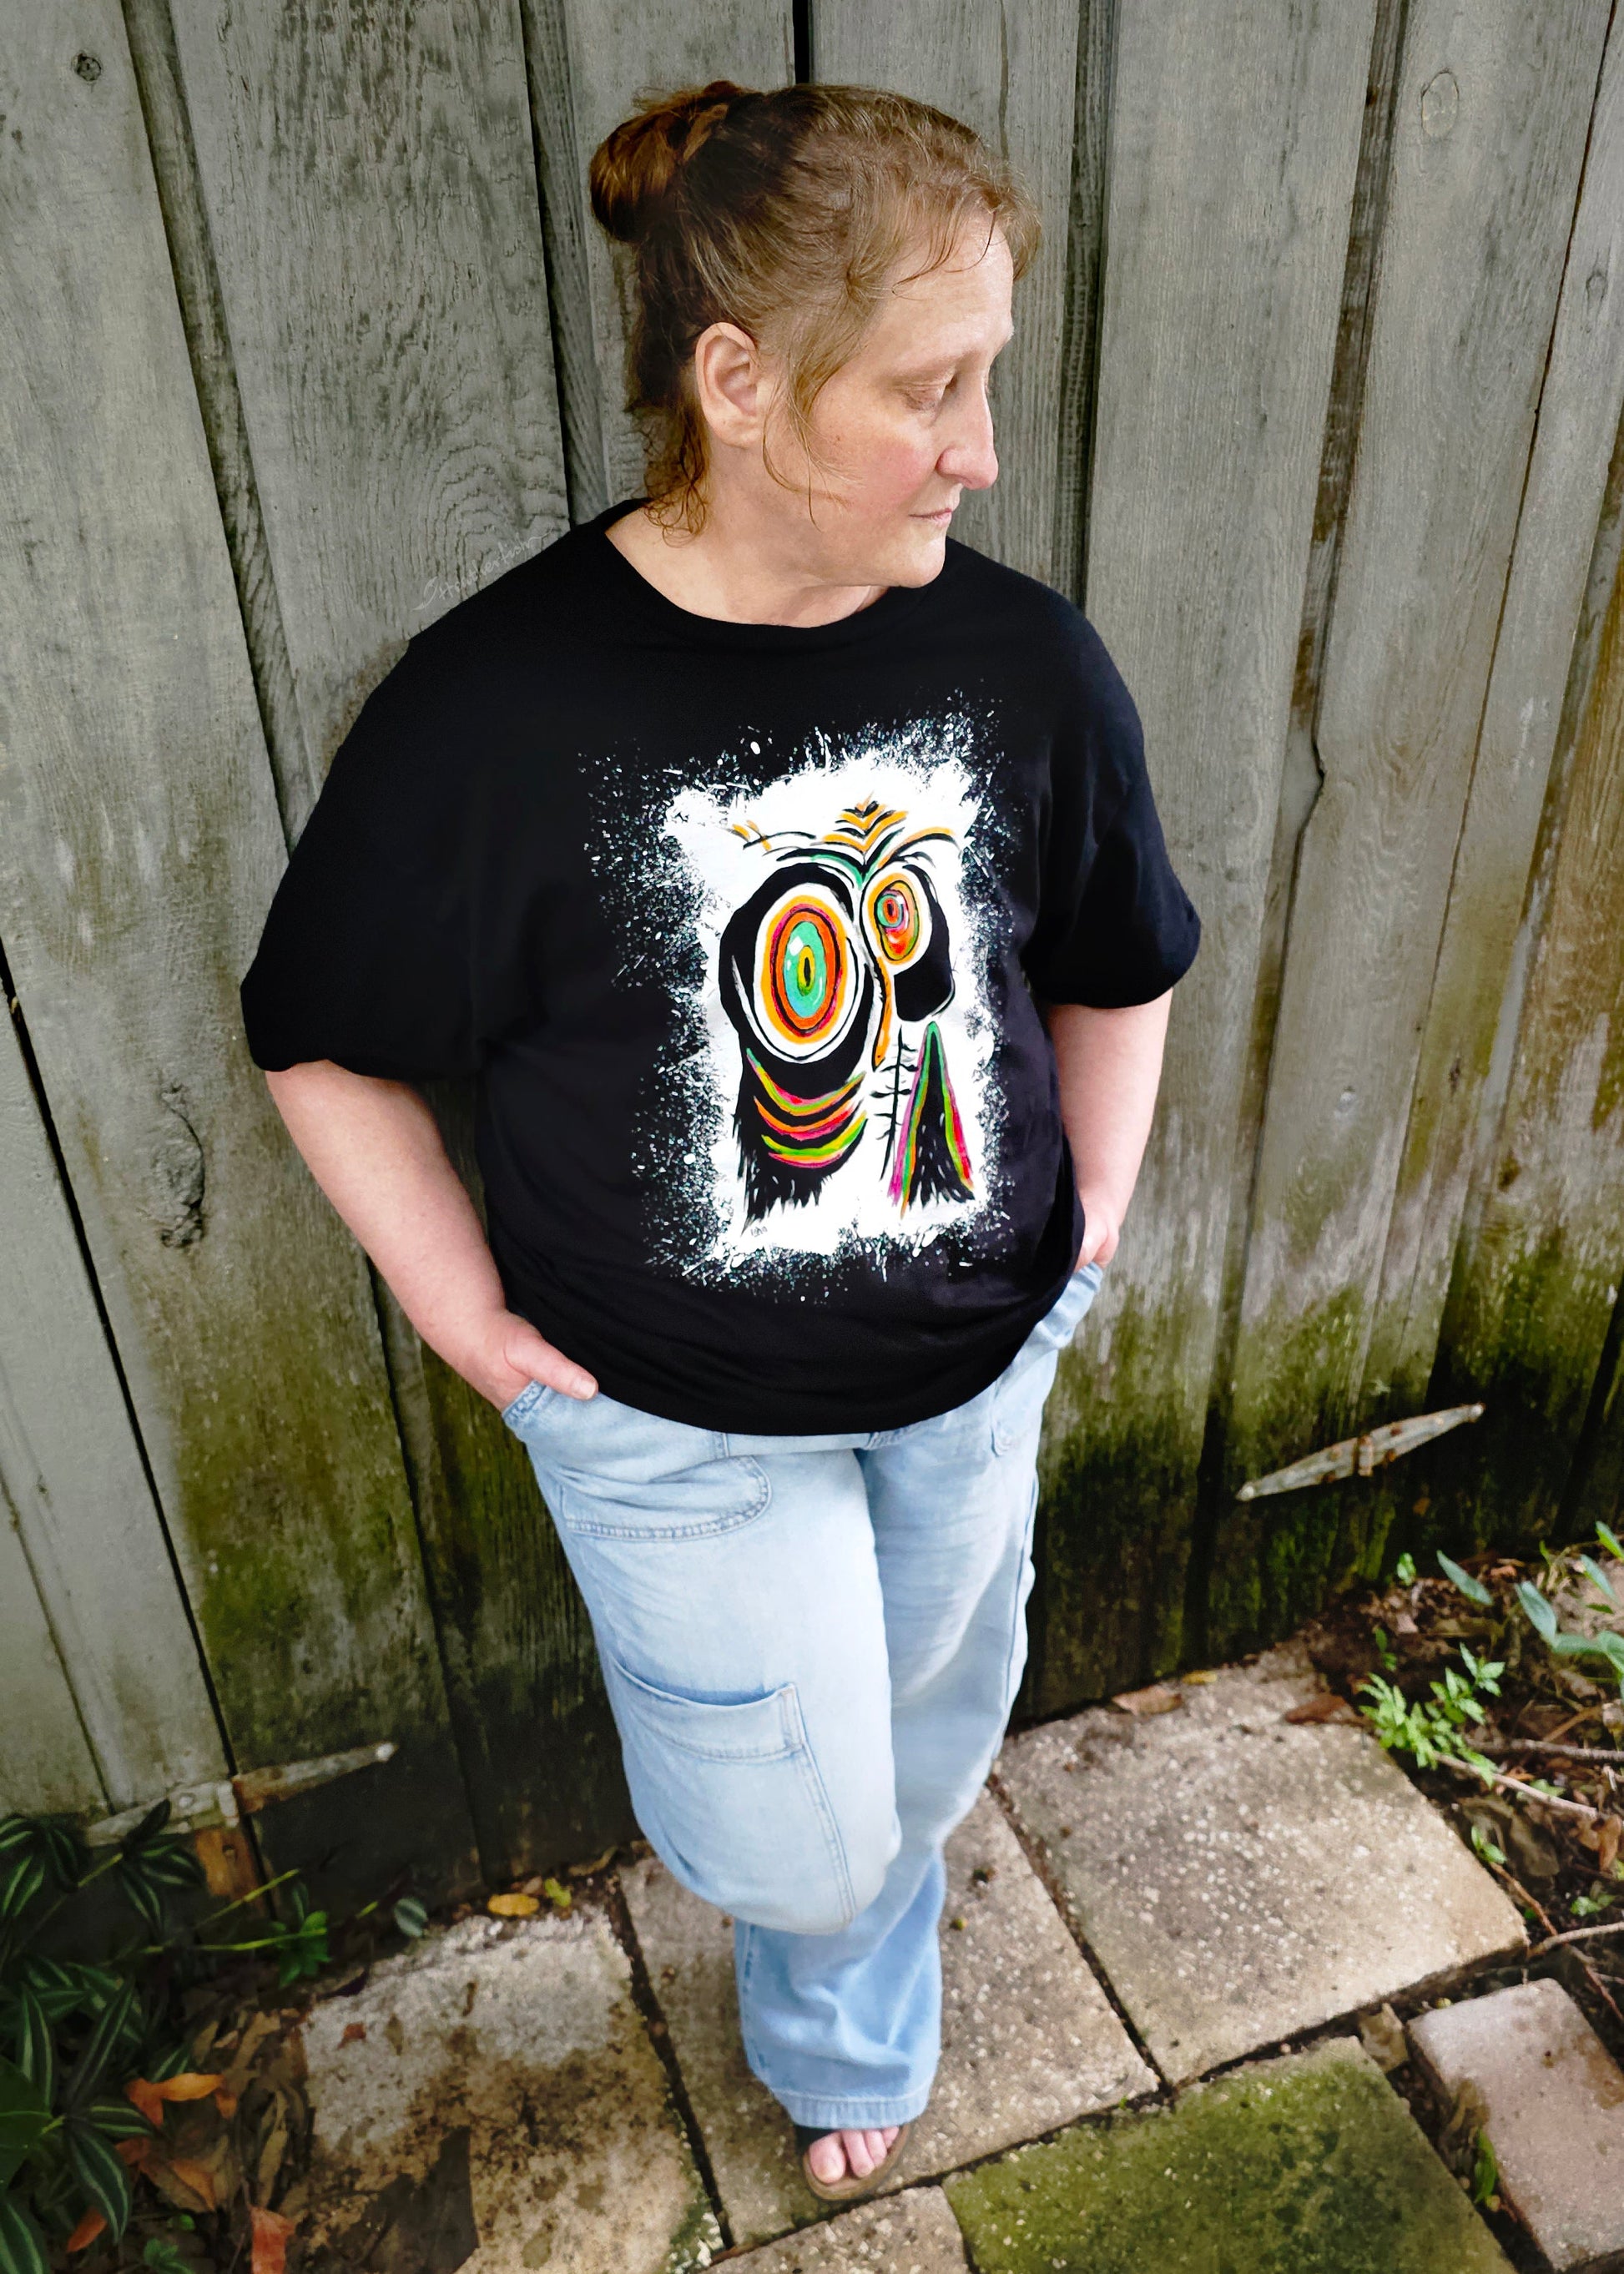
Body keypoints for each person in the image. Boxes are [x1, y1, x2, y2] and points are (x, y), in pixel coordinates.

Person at [240, 80, 1198, 2204]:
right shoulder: (497, 708)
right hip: (672, 1419)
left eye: (988, 381)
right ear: (739, 383)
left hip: (973, 1364)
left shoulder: (1022, 658)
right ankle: (835, 1953)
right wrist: (477, 1326)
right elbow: (316, 1036)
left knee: (932, 1734)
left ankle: (860, 2005)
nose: (980, 448)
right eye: (928, 390)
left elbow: (1118, 954)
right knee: (792, 1820)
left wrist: (1094, 1223)